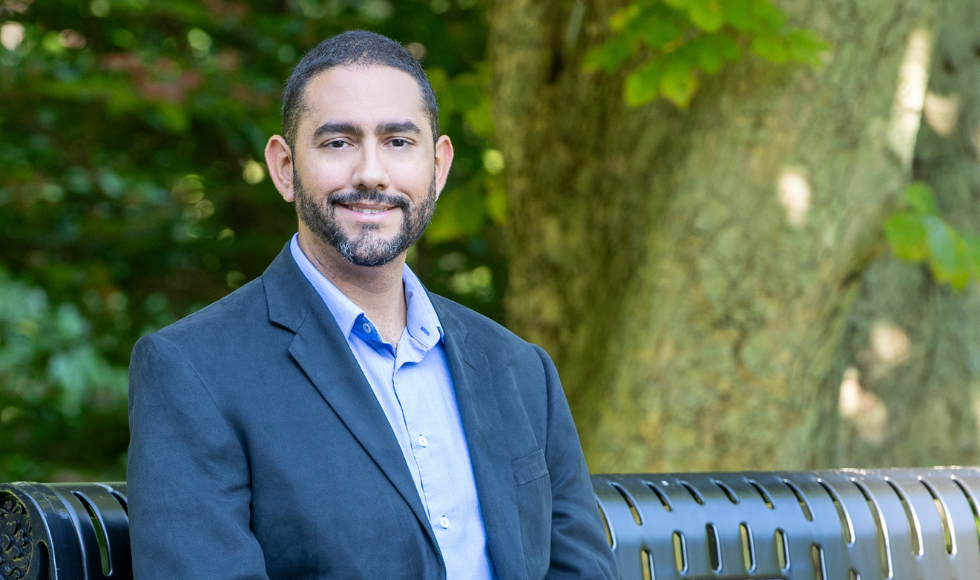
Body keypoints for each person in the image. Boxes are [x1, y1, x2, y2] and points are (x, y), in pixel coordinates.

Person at [126, 30, 618, 580]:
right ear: (285, 167)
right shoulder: (194, 369)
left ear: (440, 165)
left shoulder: (520, 369)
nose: (370, 173)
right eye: (338, 142)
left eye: (398, 142)